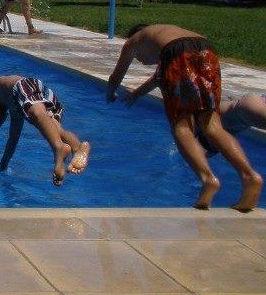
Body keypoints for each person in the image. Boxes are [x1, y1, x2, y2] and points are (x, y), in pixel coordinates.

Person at [108, 24, 261, 211]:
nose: (140, 61)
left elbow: (116, 75)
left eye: (138, 58)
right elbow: (159, 76)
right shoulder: (165, 35)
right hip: (207, 50)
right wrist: (137, 93)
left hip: (178, 53)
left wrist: (111, 92)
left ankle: (208, 179)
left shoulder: (135, 40)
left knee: (182, 127)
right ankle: (249, 176)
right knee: (213, 126)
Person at [0, 75, 90, 185]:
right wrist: (3, 167)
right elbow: (12, 141)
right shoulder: (17, 112)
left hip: (25, 85)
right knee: (54, 128)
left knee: (36, 114)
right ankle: (78, 148)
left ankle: (58, 148)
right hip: (44, 95)